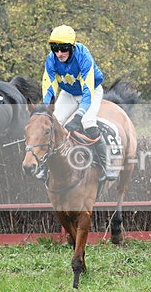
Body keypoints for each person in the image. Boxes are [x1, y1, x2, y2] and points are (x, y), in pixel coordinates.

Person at [42, 25, 117, 181]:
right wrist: (45, 110)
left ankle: (107, 165)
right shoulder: (51, 60)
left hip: (91, 91)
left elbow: (88, 92)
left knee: (87, 121)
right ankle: (44, 166)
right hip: (69, 93)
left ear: (72, 46)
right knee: (53, 122)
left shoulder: (83, 56)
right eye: (55, 48)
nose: (59, 53)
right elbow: (49, 88)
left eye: (63, 48)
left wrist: (77, 118)